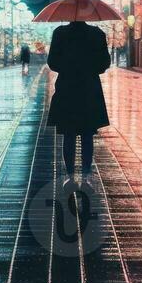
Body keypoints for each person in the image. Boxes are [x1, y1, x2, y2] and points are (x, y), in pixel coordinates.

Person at [46, 20, 111, 187]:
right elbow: (104, 63)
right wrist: (88, 67)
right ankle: (86, 176)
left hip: (67, 87)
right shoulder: (96, 34)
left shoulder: (60, 33)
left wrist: (69, 66)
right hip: (89, 88)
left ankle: (69, 175)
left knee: (69, 133)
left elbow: (52, 62)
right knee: (87, 133)